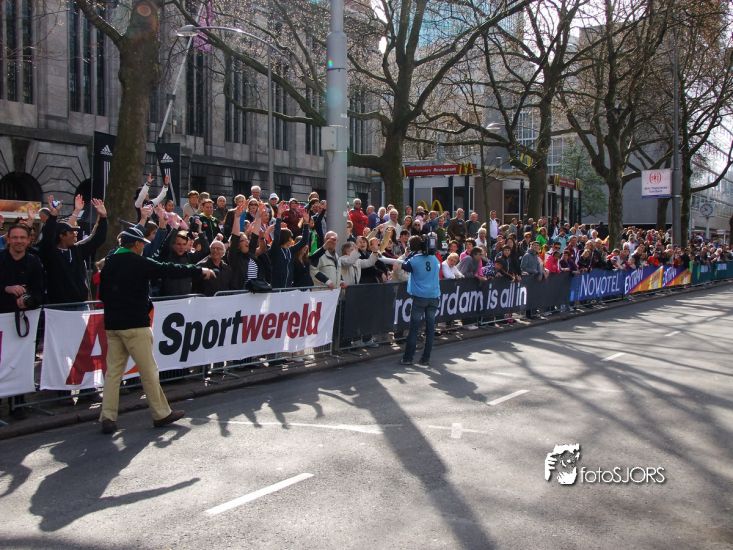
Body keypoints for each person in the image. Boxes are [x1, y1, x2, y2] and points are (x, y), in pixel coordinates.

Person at [98, 227, 216, 434]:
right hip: (135, 324)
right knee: (149, 371)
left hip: (113, 324)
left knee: (113, 373)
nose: (144, 247)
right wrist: (198, 270)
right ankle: (161, 414)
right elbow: (168, 268)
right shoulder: (138, 262)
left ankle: (107, 416)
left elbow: (102, 295)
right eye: (142, 244)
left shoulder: (109, 263)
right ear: (136, 244)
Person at [0, 224, 45, 419]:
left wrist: (28, 301)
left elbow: (40, 292)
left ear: (28, 240)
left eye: (22, 238)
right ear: (8, 239)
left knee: (21, 361)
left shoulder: (34, 262)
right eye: (15, 237)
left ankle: (17, 404)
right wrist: (6, 289)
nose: (18, 241)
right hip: (2, 320)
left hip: (23, 322)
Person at [39, 196, 108, 305]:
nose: (75, 234)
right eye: (71, 232)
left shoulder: (78, 251)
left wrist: (103, 217)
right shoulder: (50, 253)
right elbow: (47, 237)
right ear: (61, 236)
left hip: (80, 305)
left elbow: (98, 239)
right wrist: (53, 216)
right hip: (56, 307)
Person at [400, 235, 441, 367]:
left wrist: (410, 254)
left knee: (414, 329)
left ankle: (408, 358)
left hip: (420, 297)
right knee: (430, 329)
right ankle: (425, 358)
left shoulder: (414, 260)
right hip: (434, 296)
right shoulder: (434, 258)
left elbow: (405, 265)